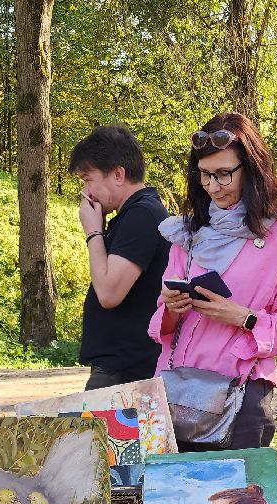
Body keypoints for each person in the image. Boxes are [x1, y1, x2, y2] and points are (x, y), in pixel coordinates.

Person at [149, 112, 277, 451]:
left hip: (242, 389)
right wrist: (173, 306)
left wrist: (243, 317)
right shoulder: (187, 231)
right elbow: (163, 319)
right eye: (205, 175)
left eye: (223, 174)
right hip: (176, 387)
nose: (212, 186)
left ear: (251, 169)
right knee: (172, 500)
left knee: (234, 502)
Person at [71, 125, 171, 389]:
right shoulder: (133, 215)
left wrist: (93, 231)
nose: (86, 192)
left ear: (118, 174)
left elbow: (109, 293)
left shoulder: (142, 215)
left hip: (125, 373)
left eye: (87, 179)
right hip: (121, 369)